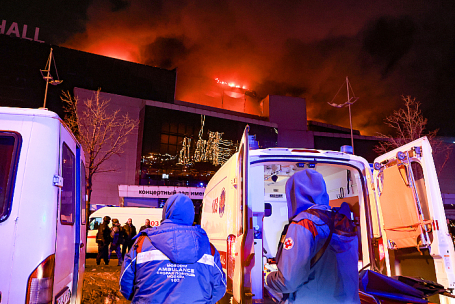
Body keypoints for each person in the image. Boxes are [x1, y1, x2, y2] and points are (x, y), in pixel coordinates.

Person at [266, 169, 360, 303]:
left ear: (293, 195)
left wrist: (268, 279)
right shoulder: (342, 220)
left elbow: (288, 281)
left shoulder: (304, 224)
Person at [120, 193, 226, 303]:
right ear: (191, 214)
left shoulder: (142, 243)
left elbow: (125, 283)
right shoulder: (207, 247)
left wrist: (140, 298)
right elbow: (219, 286)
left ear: (165, 212)